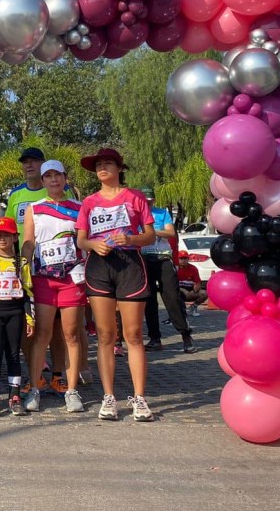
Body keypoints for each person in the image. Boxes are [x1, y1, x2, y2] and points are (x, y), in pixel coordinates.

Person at [75, 148, 156, 422]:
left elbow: (149, 235)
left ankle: (140, 397)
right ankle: (108, 397)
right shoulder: (89, 202)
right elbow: (81, 240)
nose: (102, 167)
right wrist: (92, 244)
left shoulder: (135, 197)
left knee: (133, 334)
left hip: (130, 264)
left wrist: (131, 239)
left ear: (119, 168)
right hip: (99, 266)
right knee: (105, 335)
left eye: (108, 163)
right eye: (98, 164)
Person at [20, 160, 86, 414]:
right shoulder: (34, 208)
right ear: (43, 181)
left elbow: (85, 241)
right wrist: (22, 266)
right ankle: (35, 388)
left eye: (57, 175)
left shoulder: (79, 208)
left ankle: (72, 390)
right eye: (48, 176)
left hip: (72, 278)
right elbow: (29, 241)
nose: (54, 180)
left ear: (65, 178)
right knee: (42, 334)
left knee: (71, 334)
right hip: (43, 279)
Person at [4, 146, 72, 394]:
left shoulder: (58, 189)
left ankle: (58, 374)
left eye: (34, 161)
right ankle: (35, 375)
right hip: (26, 267)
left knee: (56, 327)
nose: (29, 165)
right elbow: (9, 229)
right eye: (25, 162)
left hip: (59, 269)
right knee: (27, 325)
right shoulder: (16, 194)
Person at [0, 217, 34, 416]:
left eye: (6, 235)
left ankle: (15, 395)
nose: (2, 239)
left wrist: (30, 318)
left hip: (15, 312)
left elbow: (28, 292)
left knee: (13, 353)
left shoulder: (22, 263)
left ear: (15, 237)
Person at [140, 186, 196, 354]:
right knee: (149, 300)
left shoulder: (162, 213)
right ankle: (154, 338)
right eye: (145, 201)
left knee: (172, 297)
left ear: (154, 200)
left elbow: (171, 232)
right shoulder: (135, 215)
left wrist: (152, 232)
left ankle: (185, 334)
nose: (148, 203)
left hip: (163, 258)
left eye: (150, 200)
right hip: (144, 259)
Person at [176, 251, 206, 316]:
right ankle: (178, 311)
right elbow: (172, 284)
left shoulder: (193, 268)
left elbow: (197, 282)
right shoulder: (175, 268)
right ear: (177, 259)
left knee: (204, 293)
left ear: (188, 259)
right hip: (179, 290)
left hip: (190, 290)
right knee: (174, 293)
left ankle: (193, 307)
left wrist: (195, 290)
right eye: (181, 258)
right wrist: (183, 290)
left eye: (185, 258)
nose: (183, 260)